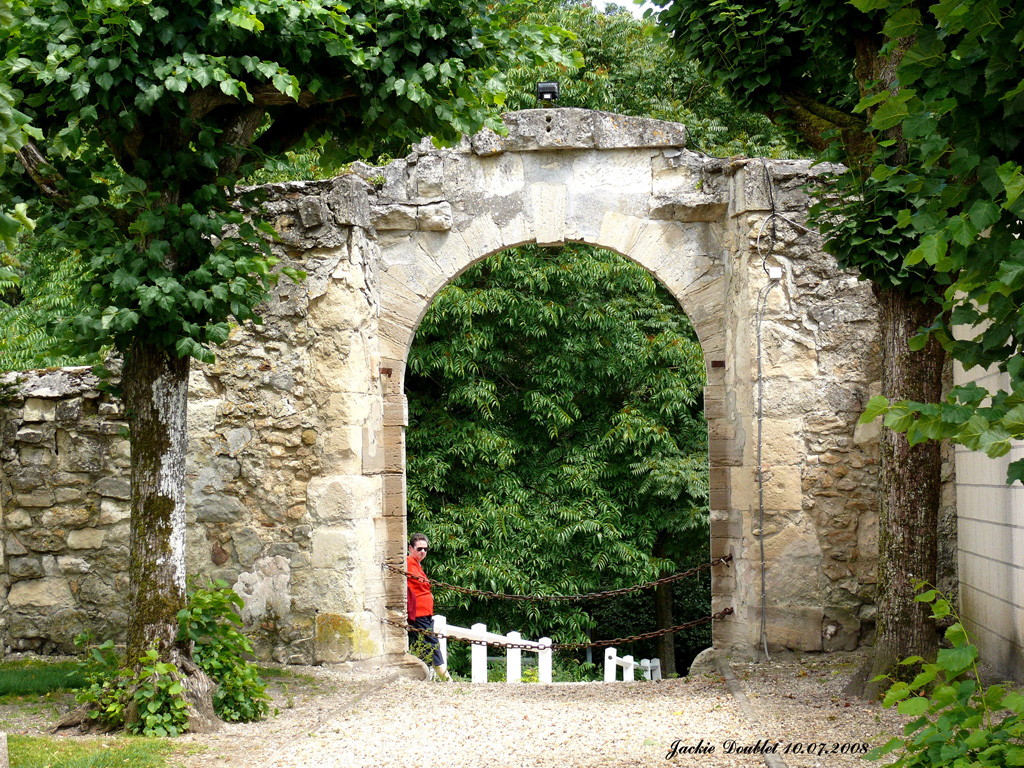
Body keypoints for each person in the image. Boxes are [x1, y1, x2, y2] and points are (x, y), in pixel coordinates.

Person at [407, 533, 450, 680]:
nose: (423, 552)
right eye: (419, 549)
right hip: (418, 612)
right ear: (410, 548)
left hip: (425, 612)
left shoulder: (416, 565)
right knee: (432, 644)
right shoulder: (408, 562)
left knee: (425, 646)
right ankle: (446, 678)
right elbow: (420, 585)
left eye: (425, 549)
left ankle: (422, 677)